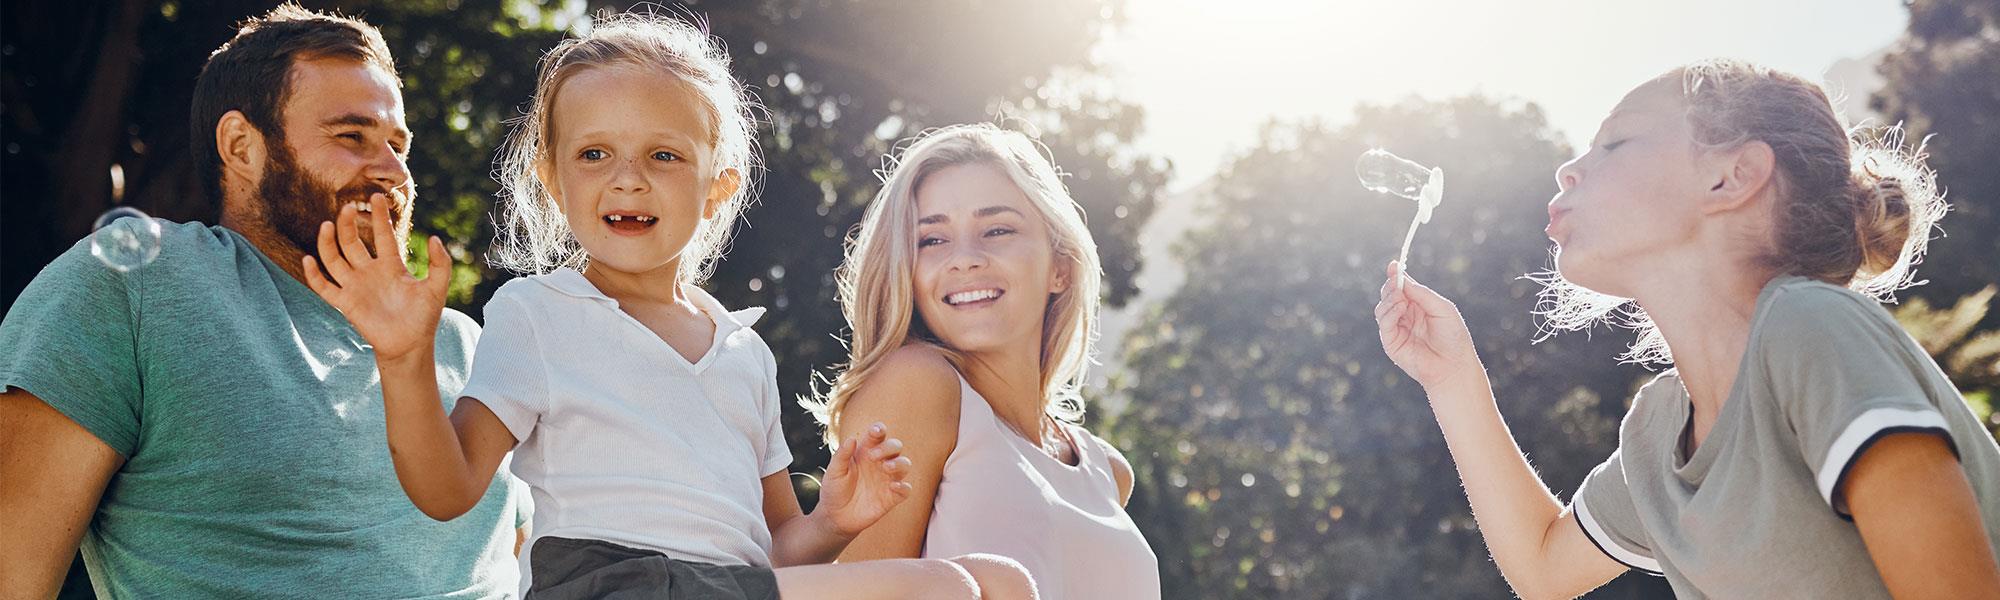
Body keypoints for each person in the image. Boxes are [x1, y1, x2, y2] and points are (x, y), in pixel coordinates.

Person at [303, 13, 1035, 600]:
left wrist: (836, 522)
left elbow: (775, 551)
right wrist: (403, 358)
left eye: (664, 155)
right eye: (594, 154)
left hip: (724, 586)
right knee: (945, 588)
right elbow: (448, 489)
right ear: (553, 179)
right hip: (608, 582)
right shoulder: (538, 313)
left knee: (1002, 582)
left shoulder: (744, 352)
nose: (627, 179)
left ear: (717, 186)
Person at [1373, 58, 2000, 598]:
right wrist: (1452, 379)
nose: (1568, 170)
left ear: (1730, 177)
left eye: (1614, 143)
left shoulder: (1812, 327)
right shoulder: (1658, 433)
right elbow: (1542, 566)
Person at [0, 4, 525, 598]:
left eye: (398, 147)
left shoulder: (465, 342)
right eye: (351, 136)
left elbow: (528, 557)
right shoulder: (136, 287)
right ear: (242, 147)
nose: (391, 172)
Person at [805, 124, 1162, 600]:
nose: (965, 259)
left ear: (1060, 268)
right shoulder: (915, 386)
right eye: (932, 240)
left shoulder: (1108, 472)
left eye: (997, 230)